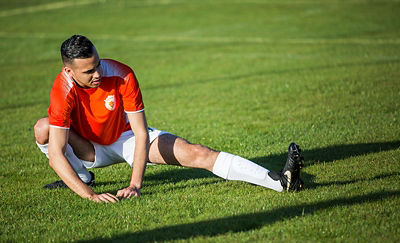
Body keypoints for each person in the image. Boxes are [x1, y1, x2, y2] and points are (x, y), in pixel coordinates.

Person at [34, 35, 304, 203]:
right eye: (89, 71)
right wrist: (89, 195)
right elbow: (57, 153)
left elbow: (141, 134)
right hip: (88, 149)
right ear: (69, 71)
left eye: (98, 63)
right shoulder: (62, 89)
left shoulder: (122, 74)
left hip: (126, 139)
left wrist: (135, 184)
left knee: (197, 153)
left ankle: (279, 182)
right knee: (43, 128)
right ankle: (83, 177)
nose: (98, 74)